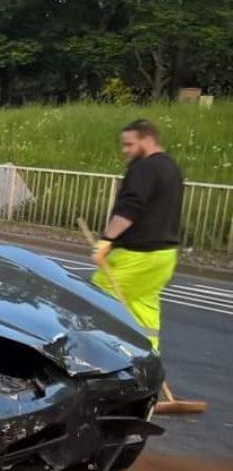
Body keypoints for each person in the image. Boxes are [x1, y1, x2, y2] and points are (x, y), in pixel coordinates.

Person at [92, 119, 184, 351]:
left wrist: (107, 240)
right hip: (164, 256)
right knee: (143, 308)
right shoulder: (171, 167)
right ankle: (148, 357)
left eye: (129, 145)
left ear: (147, 140)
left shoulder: (144, 167)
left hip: (136, 255)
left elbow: (130, 208)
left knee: (96, 298)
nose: (126, 151)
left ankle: (102, 356)